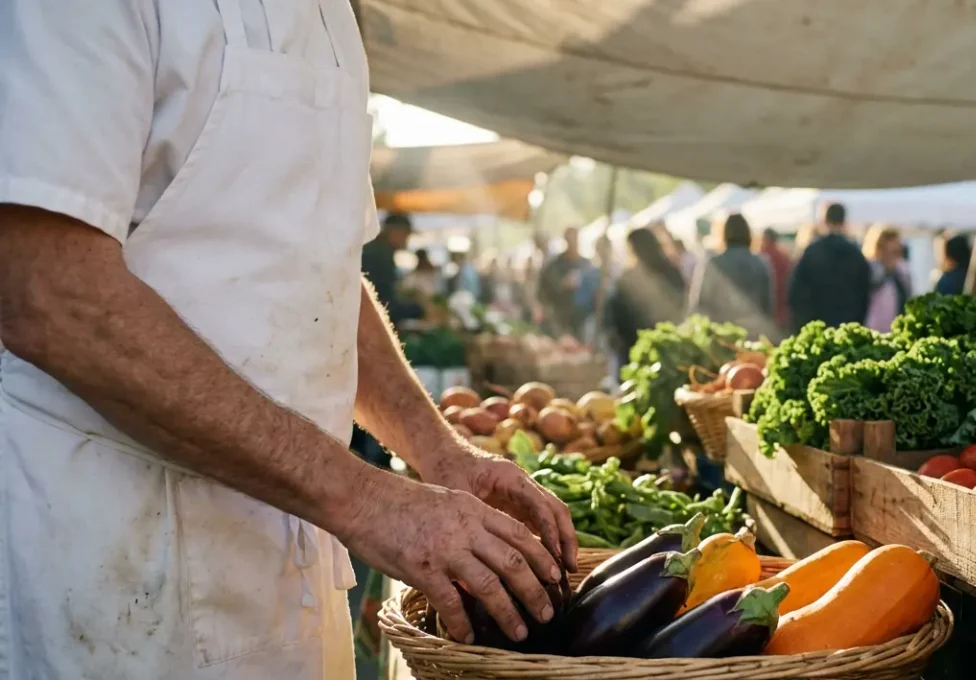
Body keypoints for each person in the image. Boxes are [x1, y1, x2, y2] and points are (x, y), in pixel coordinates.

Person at [0, 5, 576, 679]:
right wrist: (365, 500)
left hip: (290, 575)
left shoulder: (332, 14)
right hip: (113, 570)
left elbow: (322, 272)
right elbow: (47, 292)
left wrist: (439, 451)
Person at [603, 228, 688, 368]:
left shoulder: (626, 280)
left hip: (636, 353)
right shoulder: (672, 271)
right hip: (672, 349)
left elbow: (615, 321)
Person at [787, 203, 872, 330]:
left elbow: (795, 292)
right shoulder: (855, 253)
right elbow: (865, 293)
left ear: (824, 220)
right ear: (844, 221)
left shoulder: (812, 251)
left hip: (815, 326)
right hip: (847, 327)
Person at [691, 213, 774, 338]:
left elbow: (700, 302)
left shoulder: (713, 264)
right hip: (754, 333)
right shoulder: (761, 263)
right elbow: (767, 304)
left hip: (722, 333)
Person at [364, 213, 423, 322]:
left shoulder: (375, 249)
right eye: (406, 234)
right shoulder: (381, 255)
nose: (407, 240)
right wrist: (420, 309)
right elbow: (386, 303)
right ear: (395, 232)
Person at [537, 226, 589, 337]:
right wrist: (561, 285)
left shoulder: (587, 265)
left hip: (582, 320)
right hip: (558, 320)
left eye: (574, 239)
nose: (572, 243)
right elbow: (542, 293)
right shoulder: (553, 267)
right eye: (569, 239)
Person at [862, 225, 912, 332]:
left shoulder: (901, 274)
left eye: (898, 252)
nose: (895, 258)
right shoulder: (867, 272)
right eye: (891, 252)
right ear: (878, 250)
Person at [759, 228, 794, 333]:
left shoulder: (761, 257)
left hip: (766, 316)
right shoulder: (784, 257)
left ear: (765, 239)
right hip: (784, 314)